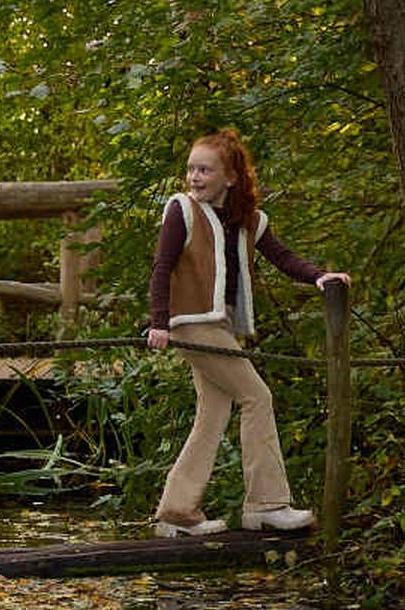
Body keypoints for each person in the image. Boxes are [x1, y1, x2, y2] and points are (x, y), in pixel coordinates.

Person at [142, 129, 343, 539]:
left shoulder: (247, 221)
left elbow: (282, 257)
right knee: (257, 396)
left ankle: (177, 512)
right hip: (193, 324)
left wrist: (320, 276)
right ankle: (267, 505)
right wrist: (159, 321)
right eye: (191, 169)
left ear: (230, 177)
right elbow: (162, 268)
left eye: (204, 170)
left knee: (213, 413)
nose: (194, 177)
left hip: (221, 325)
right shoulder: (182, 210)